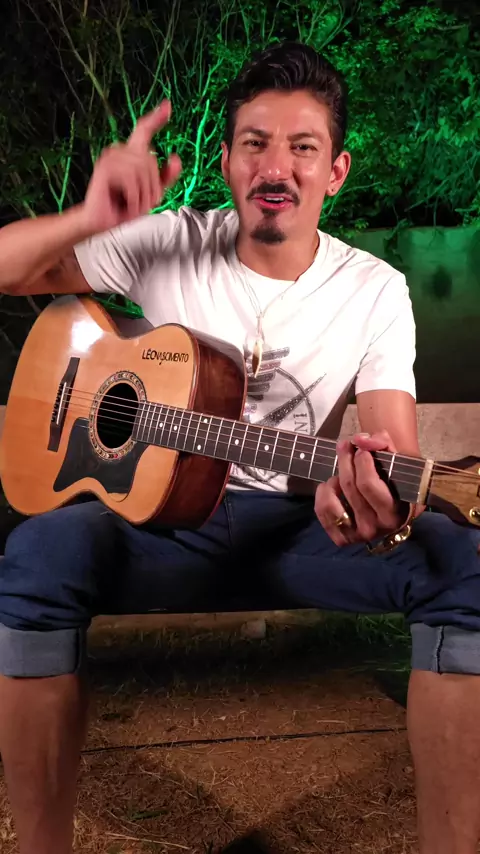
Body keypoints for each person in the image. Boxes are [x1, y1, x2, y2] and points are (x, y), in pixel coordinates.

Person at [0, 39, 478, 854]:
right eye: (255, 143)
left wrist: (376, 504)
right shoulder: (166, 241)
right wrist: (88, 218)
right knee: (40, 553)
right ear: (225, 162)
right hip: (158, 524)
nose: (276, 166)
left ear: (336, 171)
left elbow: (390, 443)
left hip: (301, 529)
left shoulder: (375, 289)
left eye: (303, 147)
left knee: (457, 565)